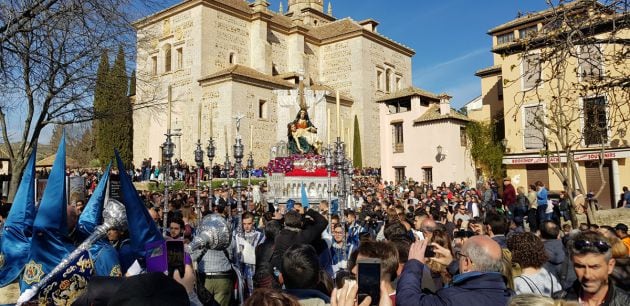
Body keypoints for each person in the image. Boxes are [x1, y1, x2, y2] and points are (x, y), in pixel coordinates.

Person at [397, 236, 512, 306]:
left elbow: (408, 301)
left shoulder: (452, 299)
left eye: (460, 255)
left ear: (467, 262)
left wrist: (413, 263)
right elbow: (478, 285)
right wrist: (453, 264)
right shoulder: (511, 297)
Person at [553, 231, 630, 305]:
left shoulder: (626, 302)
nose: (587, 275)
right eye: (580, 266)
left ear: (610, 266)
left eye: (595, 267)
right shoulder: (557, 302)